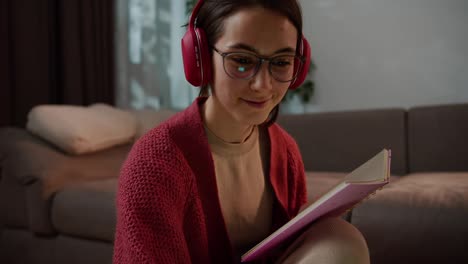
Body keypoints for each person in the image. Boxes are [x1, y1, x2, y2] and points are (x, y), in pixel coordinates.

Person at [113, 0, 370, 263]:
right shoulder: (155, 164)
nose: (262, 84)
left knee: (340, 238)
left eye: (281, 62)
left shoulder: (286, 151)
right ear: (200, 59)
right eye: (243, 61)